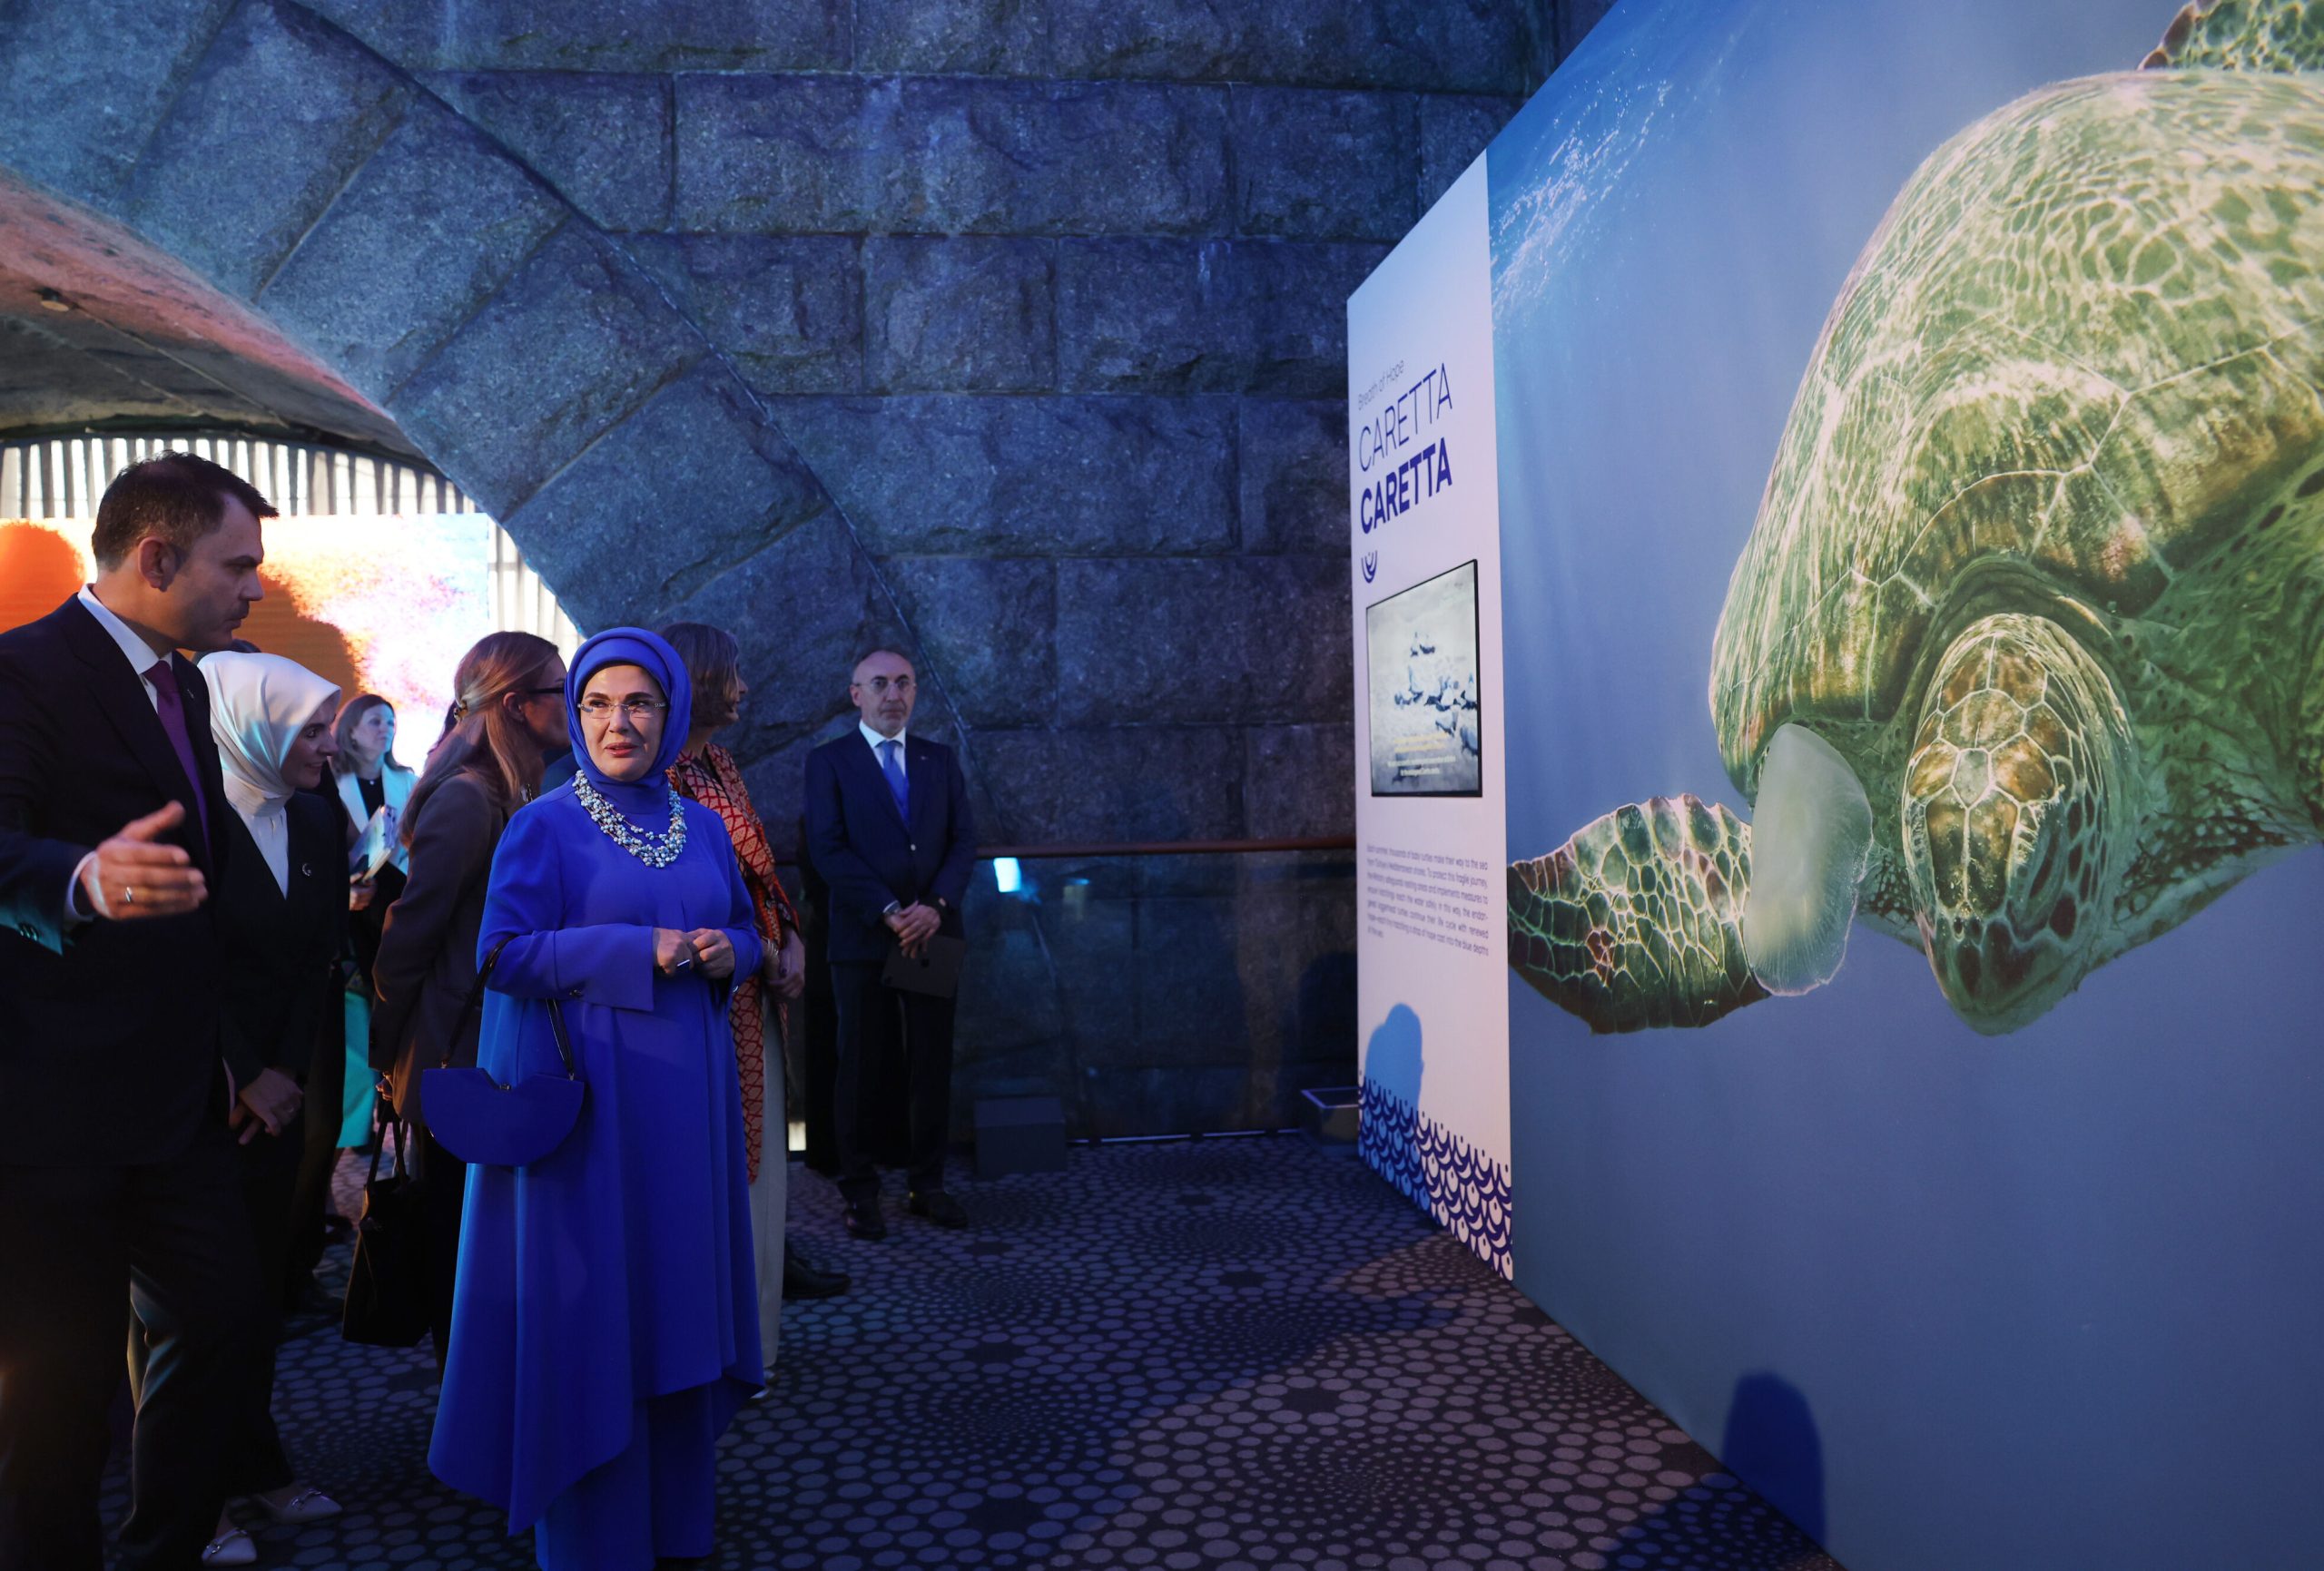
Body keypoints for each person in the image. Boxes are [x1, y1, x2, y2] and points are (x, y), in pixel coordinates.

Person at [430, 628, 763, 1571]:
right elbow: (501, 955)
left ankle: (676, 1524)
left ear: (672, 713)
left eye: (639, 703)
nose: (619, 723)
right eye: (597, 704)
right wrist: (633, 949)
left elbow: (746, 932)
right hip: (596, 1117)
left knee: (674, 1300)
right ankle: (595, 1540)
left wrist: (729, 952)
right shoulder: (544, 824)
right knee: (597, 1309)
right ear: (575, 717)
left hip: (686, 1111)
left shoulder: (702, 826)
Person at [0, 452, 271, 1570]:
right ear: (157, 559)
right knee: (55, 1398)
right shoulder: (22, 670)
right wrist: (80, 879)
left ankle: (164, 1549)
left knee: (225, 1323)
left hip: (176, 1104)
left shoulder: (189, 682)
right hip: (50, 1111)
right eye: (237, 565)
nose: (255, 588)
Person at [371, 632, 567, 1363]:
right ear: (516, 705)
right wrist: (389, 1054)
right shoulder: (468, 796)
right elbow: (408, 937)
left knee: (496, 1244)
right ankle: (469, 1403)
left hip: (495, 1047)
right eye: (562, 690)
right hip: (460, 1057)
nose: (577, 704)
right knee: (464, 1247)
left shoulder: (515, 787)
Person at [193, 651, 350, 1565]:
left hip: (280, 1095)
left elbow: (316, 955)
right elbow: (175, 963)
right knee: (188, 1307)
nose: (331, 745)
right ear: (255, 726)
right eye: (313, 729)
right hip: (195, 1090)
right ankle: (192, 1499)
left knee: (256, 1292)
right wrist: (243, 1072)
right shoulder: (190, 814)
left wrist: (284, 1072)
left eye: (330, 727)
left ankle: (256, 1464)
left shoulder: (318, 816)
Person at [660, 623, 848, 1358]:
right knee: (728, 1174)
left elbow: (761, 873)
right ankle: (732, 1348)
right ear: (699, 680)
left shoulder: (719, 762)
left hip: (756, 983)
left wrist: (790, 938)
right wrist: (767, 953)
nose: (742, 687)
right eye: (732, 673)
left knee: (763, 1171)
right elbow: (690, 901)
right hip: (709, 998)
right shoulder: (664, 777)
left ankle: (757, 1337)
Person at [803, 648, 977, 1240]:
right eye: (879, 683)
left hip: (932, 931)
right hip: (862, 935)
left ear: (915, 692)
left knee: (931, 1062)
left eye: (903, 683)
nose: (893, 694)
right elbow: (826, 848)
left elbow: (963, 842)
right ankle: (859, 1190)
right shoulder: (829, 762)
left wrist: (936, 906)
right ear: (856, 694)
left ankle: (928, 1184)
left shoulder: (939, 759)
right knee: (859, 1064)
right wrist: (889, 910)